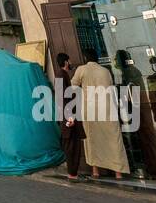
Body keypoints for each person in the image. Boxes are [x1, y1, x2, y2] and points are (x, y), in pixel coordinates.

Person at [70, 52, 129, 178]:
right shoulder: (105, 71)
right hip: (108, 108)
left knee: (92, 140)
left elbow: (73, 85)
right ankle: (118, 172)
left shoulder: (82, 69)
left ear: (85, 58)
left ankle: (95, 171)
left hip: (90, 109)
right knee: (113, 140)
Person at [55, 52, 86, 180]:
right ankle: (73, 174)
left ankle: (73, 173)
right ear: (66, 62)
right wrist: (69, 117)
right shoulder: (61, 76)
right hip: (69, 117)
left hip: (68, 116)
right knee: (72, 146)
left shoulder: (62, 75)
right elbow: (62, 98)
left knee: (73, 145)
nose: (71, 62)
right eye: (70, 60)